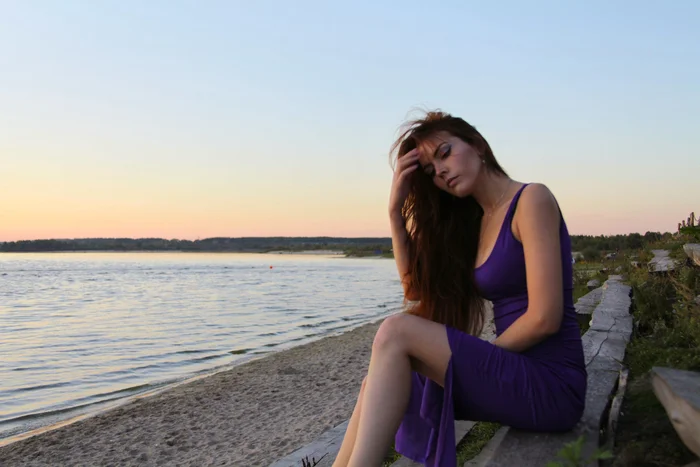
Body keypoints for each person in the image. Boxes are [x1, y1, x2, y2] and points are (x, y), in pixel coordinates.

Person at [332, 111, 587, 467]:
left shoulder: (531, 200)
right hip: (514, 375)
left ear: (478, 145)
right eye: (430, 171)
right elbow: (414, 289)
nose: (441, 171)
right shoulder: (476, 225)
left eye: (445, 153)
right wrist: (394, 213)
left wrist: (482, 360)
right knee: (374, 384)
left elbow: (545, 318)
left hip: (552, 384)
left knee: (395, 330)